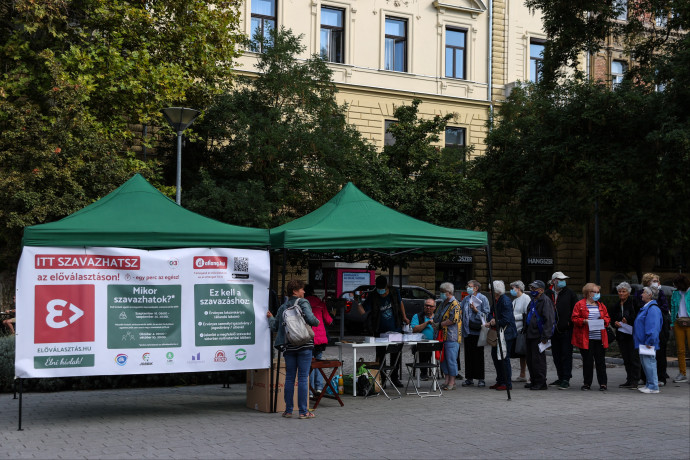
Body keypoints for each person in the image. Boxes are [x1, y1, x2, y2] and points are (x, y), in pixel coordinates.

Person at [267, 280, 320, 419]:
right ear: (295, 291)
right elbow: (311, 319)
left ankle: (288, 410)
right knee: (303, 377)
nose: (304, 292)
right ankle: (303, 412)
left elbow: (274, 327)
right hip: (304, 345)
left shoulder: (283, 307)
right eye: (302, 289)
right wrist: (316, 322)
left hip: (289, 346)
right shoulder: (303, 303)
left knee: (290, 378)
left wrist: (270, 317)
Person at [357, 275, 408, 387]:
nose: (381, 292)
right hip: (379, 330)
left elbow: (400, 303)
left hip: (396, 328)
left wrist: (404, 317)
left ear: (387, 286)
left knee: (395, 354)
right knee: (381, 355)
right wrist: (358, 303)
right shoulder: (373, 295)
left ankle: (395, 378)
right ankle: (382, 379)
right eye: (379, 289)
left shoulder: (394, 292)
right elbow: (363, 312)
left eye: (383, 289)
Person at [571, 283, 611, 391]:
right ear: (588, 293)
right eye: (595, 292)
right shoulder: (580, 304)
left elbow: (607, 318)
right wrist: (584, 321)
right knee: (587, 361)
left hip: (599, 338)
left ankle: (603, 383)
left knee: (600, 361)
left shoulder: (601, 305)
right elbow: (574, 318)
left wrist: (604, 321)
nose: (598, 294)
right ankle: (587, 383)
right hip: (586, 338)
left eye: (598, 292)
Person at [545, 271, 579, 390]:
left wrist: (569, 322)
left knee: (566, 354)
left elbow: (575, 308)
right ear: (554, 281)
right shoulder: (548, 293)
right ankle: (560, 377)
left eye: (564, 279)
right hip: (552, 329)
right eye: (560, 279)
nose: (563, 281)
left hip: (566, 329)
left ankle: (566, 378)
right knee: (556, 355)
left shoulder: (570, 293)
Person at [635, 273, 670, 386]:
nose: (657, 282)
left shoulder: (659, 295)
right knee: (645, 356)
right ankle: (645, 378)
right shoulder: (640, 294)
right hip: (644, 329)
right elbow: (638, 306)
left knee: (659, 354)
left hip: (658, 329)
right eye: (654, 280)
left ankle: (659, 378)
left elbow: (664, 308)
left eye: (657, 280)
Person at [523, 280, 555, 390]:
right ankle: (534, 380)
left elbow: (549, 319)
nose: (531, 290)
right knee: (530, 359)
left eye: (534, 288)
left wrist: (546, 336)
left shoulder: (545, 301)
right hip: (530, 333)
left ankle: (541, 382)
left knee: (538, 360)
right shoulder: (533, 300)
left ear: (541, 290)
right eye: (531, 288)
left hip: (538, 334)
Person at [488, 281, 517, 391]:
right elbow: (491, 312)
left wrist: (494, 321)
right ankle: (500, 380)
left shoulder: (505, 301)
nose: (489, 292)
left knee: (504, 358)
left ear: (496, 291)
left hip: (506, 333)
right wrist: (491, 319)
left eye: (491, 290)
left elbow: (507, 319)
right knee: (495, 357)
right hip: (497, 332)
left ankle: (506, 383)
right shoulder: (496, 300)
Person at [460, 279, 490, 387]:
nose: (467, 288)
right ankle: (469, 378)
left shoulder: (483, 298)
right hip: (467, 331)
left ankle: (481, 378)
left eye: (469, 286)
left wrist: (476, 311)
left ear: (476, 288)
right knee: (468, 355)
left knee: (478, 356)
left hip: (477, 331)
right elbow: (460, 308)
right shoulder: (466, 298)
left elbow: (486, 315)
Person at [611, 282, 641, 388]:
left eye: (623, 291)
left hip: (632, 334)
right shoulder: (616, 304)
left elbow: (638, 316)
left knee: (634, 358)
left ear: (628, 292)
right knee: (626, 358)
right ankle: (629, 379)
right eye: (619, 291)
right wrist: (615, 323)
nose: (621, 294)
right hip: (621, 335)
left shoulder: (634, 302)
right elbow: (612, 318)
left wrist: (628, 320)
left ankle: (635, 380)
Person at [304, 284, 333, 394]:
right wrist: (333, 315)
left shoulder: (303, 303)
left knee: (309, 364)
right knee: (319, 363)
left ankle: (310, 392)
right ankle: (319, 387)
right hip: (321, 338)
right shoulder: (320, 303)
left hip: (308, 337)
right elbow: (328, 320)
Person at [635, 286, 663, 394]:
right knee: (646, 363)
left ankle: (653, 386)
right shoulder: (649, 307)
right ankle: (649, 384)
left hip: (647, 342)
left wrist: (649, 341)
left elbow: (653, 327)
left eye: (644, 293)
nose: (642, 294)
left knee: (649, 363)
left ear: (650, 295)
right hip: (644, 342)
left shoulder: (653, 309)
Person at [433, 282, 461, 390]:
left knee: (451, 359)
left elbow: (454, 319)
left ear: (448, 292)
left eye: (442, 292)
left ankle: (452, 382)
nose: (441, 294)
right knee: (443, 359)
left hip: (451, 336)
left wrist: (440, 324)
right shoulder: (443, 303)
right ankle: (446, 379)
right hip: (441, 336)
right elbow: (437, 315)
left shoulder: (455, 304)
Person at [410, 297, 437, 380]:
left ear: (434, 308)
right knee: (423, 348)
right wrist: (427, 323)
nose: (428, 307)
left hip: (435, 343)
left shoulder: (437, 317)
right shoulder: (417, 316)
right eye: (426, 305)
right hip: (421, 343)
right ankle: (424, 373)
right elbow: (414, 330)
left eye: (430, 306)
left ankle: (452, 373)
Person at [670, 274, 690, 383]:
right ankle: (682, 373)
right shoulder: (675, 293)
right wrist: (672, 323)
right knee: (680, 350)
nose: (676, 287)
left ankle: (683, 373)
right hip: (678, 323)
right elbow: (673, 308)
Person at [510, 281, 530, 383]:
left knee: (525, 352)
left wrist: (513, 317)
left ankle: (527, 374)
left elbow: (526, 313)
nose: (511, 290)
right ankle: (522, 374)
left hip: (522, 329)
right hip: (515, 329)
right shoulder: (515, 300)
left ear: (518, 288)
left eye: (513, 288)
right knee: (520, 352)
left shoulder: (526, 298)